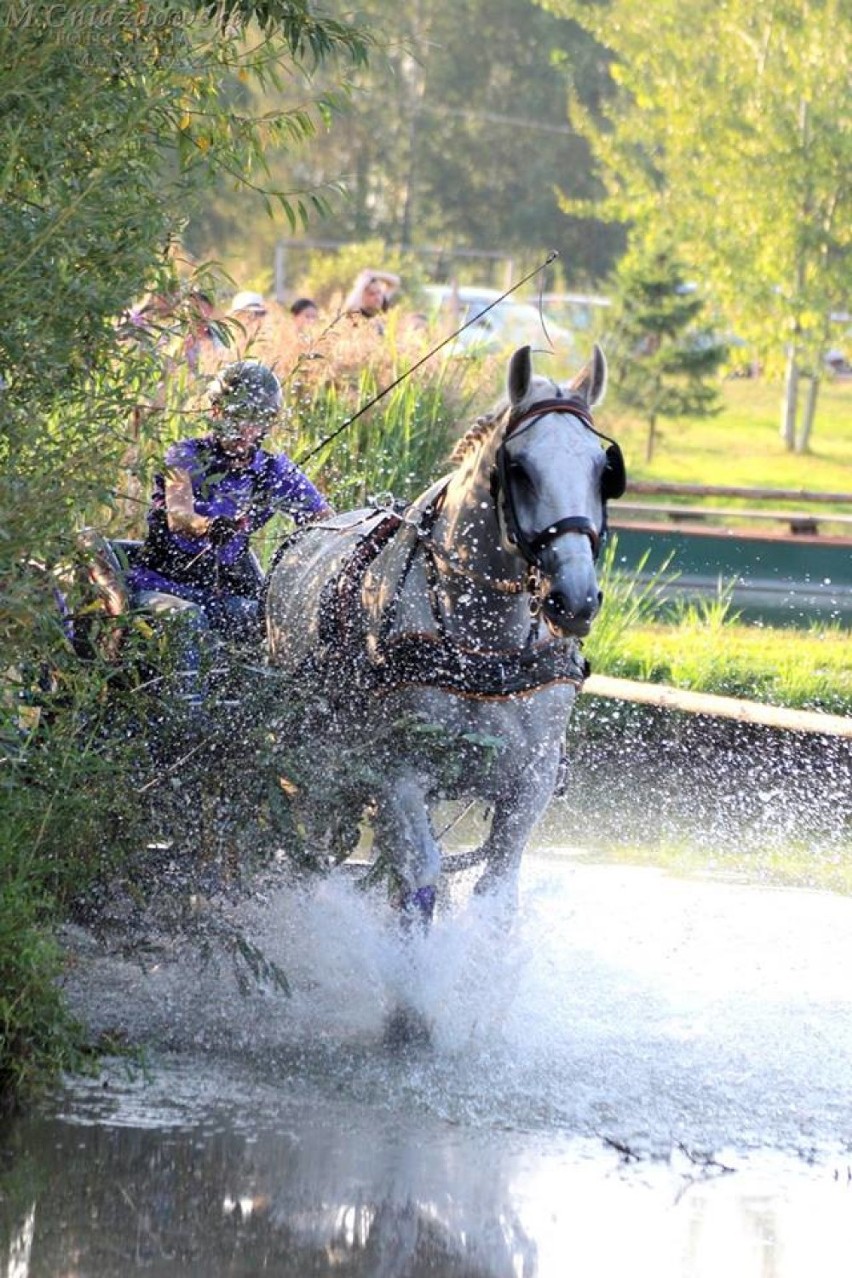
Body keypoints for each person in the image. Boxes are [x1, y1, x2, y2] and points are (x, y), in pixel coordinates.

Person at [126, 360, 333, 701]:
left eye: (256, 420)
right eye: (238, 417)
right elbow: (179, 515)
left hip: (221, 592)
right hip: (164, 586)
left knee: (257, 619)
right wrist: (208, 525)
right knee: (187, 620)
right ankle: (185, 718)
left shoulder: (272, 470)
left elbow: (323, 518)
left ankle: (247, 715)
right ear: (217, 412)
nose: (246, 430)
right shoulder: (185, 455)